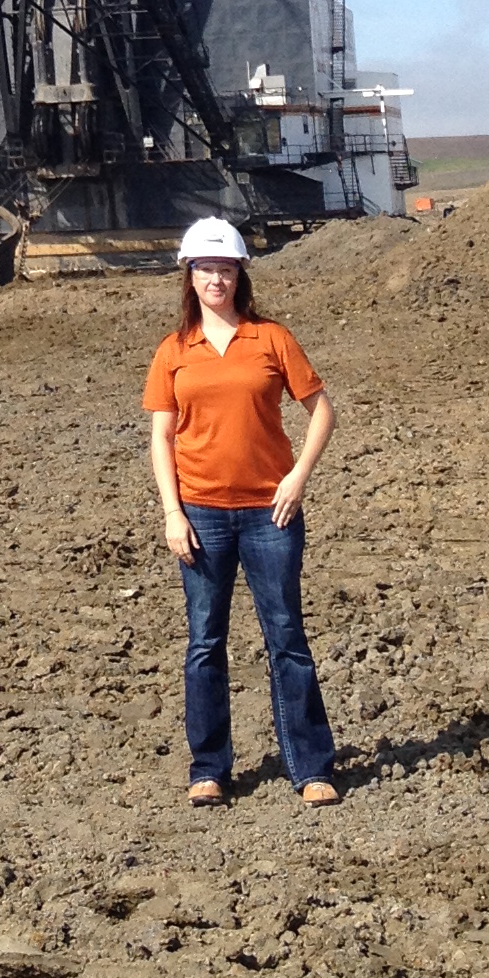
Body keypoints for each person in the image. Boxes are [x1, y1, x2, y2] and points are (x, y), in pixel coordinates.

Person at [143, 216, 339, 807]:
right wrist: (173, 514)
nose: (215, 279)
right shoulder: (174, 351)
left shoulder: (271, 339)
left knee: (287, 638)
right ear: (189, 275)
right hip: (201, 514)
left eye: (224, 268)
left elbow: (322, 411)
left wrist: (297, 479)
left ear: (239, 274)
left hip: (269, 515)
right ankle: (209, 768)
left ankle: (311, 768)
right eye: (204, 269)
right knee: (205, 640)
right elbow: (162, 437)